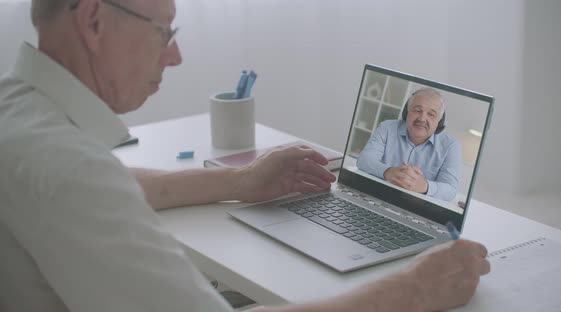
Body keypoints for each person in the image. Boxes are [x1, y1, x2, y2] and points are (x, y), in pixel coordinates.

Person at [0, 1, 489, 311]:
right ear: (93, 21)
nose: (174, 56)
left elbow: (112, 183)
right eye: (163, 31)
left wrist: (242, 181)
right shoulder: (68, 170)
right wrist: (413, 293)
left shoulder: (17, 108)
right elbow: (87, 184)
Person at [357, 88, 461, 201]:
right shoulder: (387, 128)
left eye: (431, 114)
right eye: (417, 110)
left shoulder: (451, 146)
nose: (422, 118)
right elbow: (364, 160)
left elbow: (451, 190)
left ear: (439, 121)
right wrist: (388, 172)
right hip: (377, 198)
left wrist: (424, 185)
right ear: (407, 112)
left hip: (417, 209)